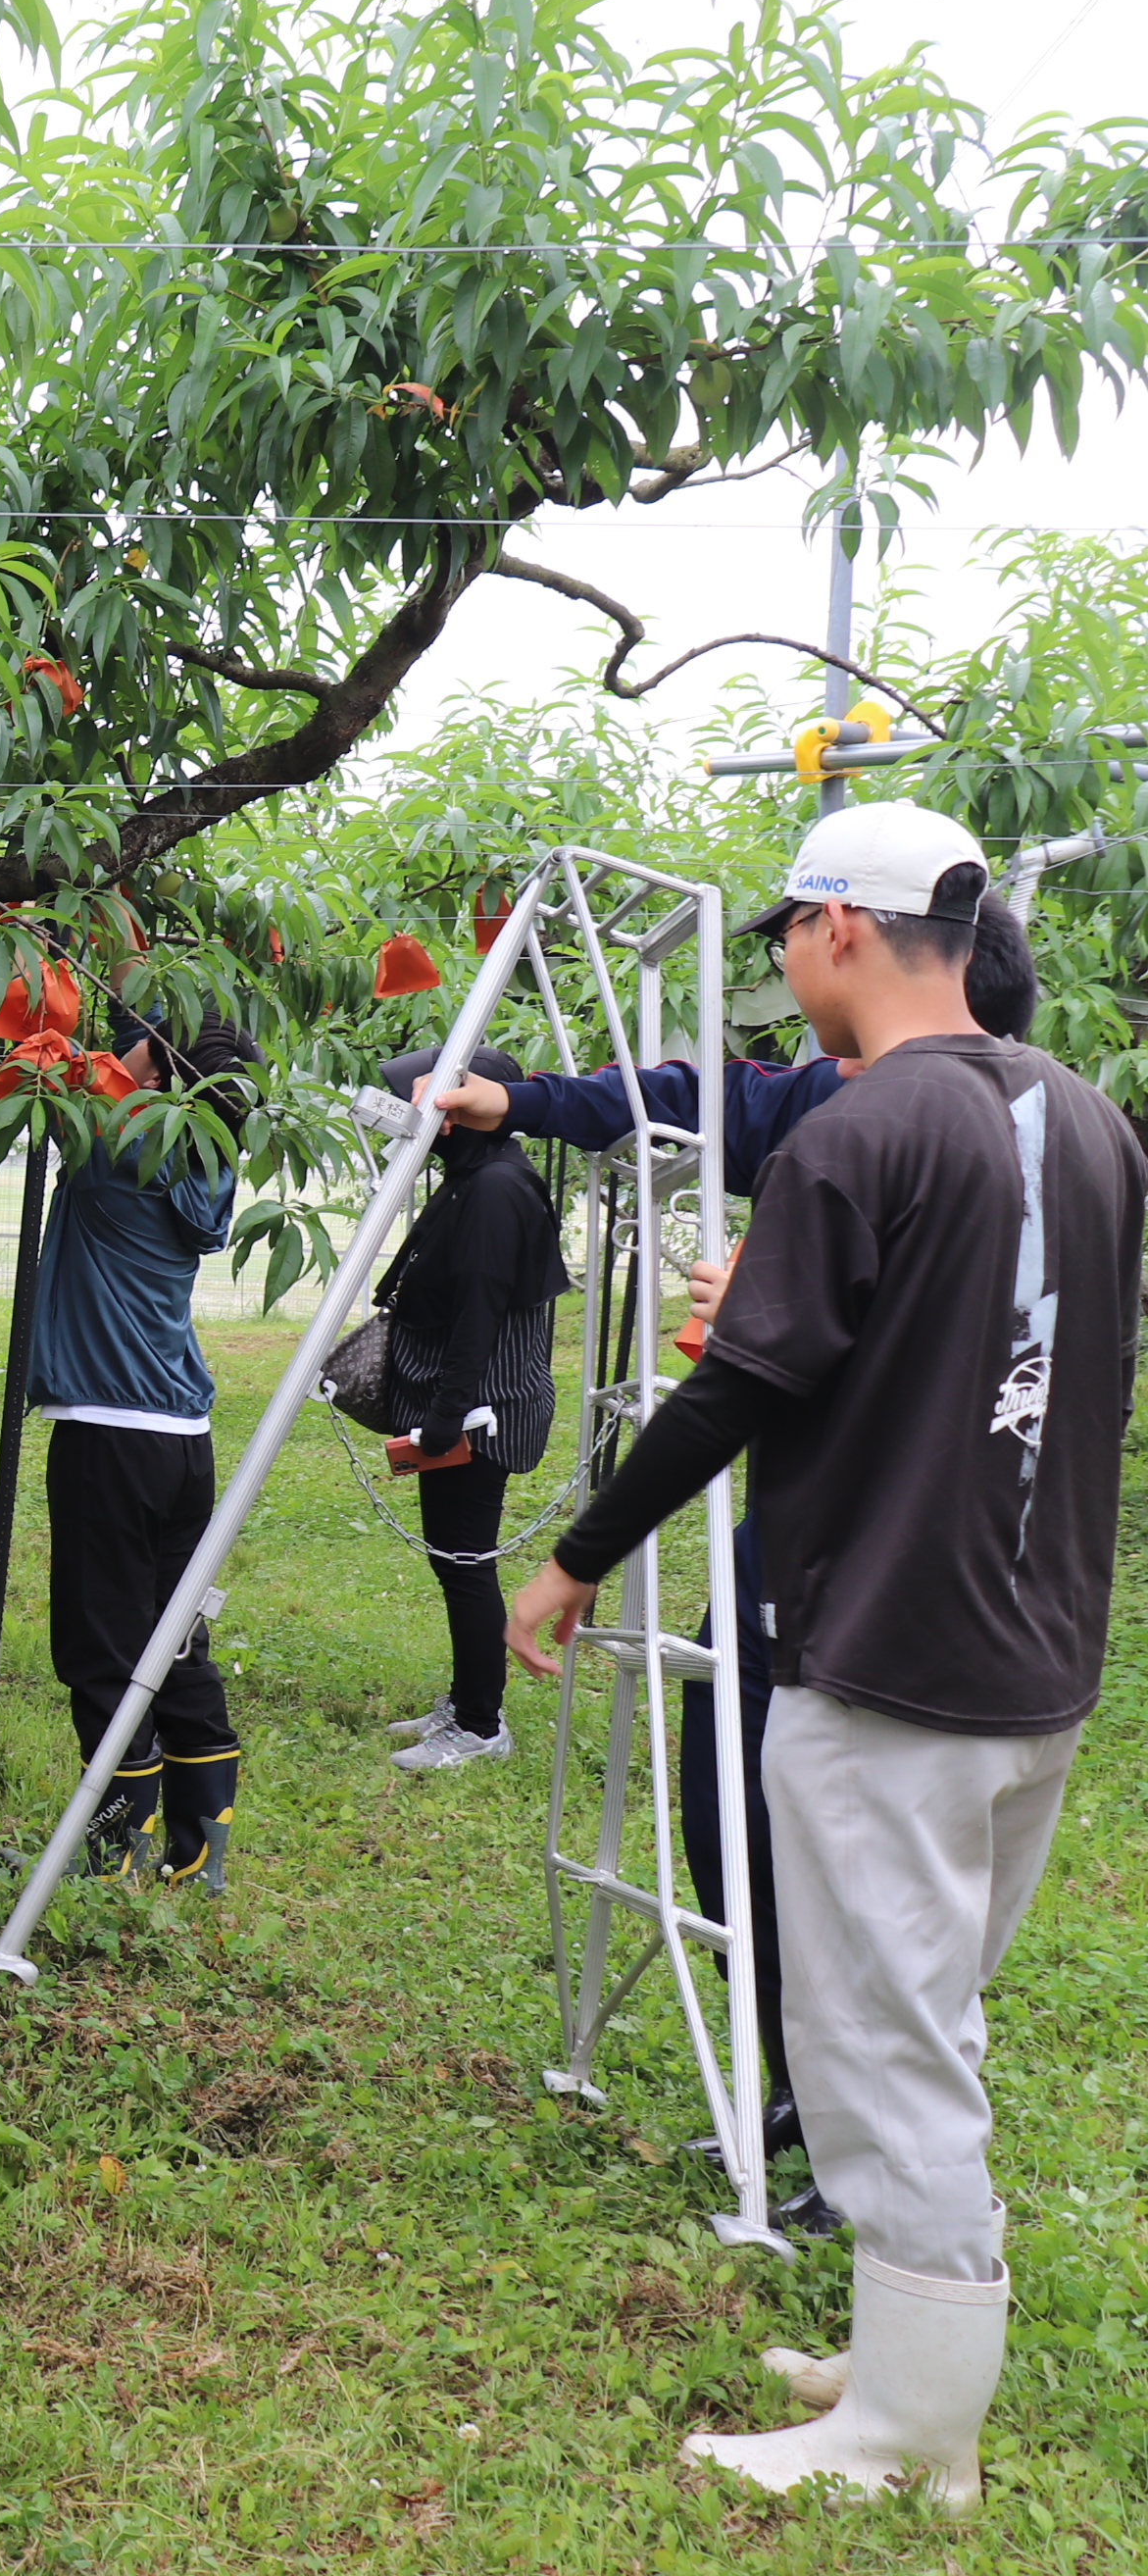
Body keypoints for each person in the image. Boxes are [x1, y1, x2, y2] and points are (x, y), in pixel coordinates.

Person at [504, 803, 1139, 2510]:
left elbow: (736, 1386)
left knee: (874, 2037)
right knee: (929, 2017)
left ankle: (907, 2437)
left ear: (840, 933)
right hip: (1033, 1660)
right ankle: (903, 2349)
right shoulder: (1089, 1123)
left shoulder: (851, 1138)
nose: (779, 960)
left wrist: (570, 1558)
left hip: (883, 1656)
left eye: (787, 925)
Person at [434, 886, 1038, 2214]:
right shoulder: (839, 1105)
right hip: (804, 1541)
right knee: (728, 1800)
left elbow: (958, 1367)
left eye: (799, 938)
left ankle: (863, 2166)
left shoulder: (993, 1146)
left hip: (907, 1560)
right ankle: (796, 2090)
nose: (786, 977)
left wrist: (786, 1318)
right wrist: (519, 1101)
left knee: (861, 1871)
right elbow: (700, 1096)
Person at [29, 1009, 258, 1888]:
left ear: (157, 1072)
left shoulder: (118, 1142)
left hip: (108, 1434)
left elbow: (44, 1074)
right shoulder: (212, 1153)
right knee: (174, 1637)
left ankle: (114, 1841)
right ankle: (203, 1843)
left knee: (101, 1649)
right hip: (182, 1440)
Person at [365, 1045, 568, 1773]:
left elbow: (480, 1313)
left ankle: (482, 1724)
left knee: (465, 1561)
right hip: (466, 1403)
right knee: (455, 1560)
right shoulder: (479, 1176)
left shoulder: (493, 1191)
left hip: (483, 1410)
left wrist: (446, 1419)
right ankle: (467, 1697)